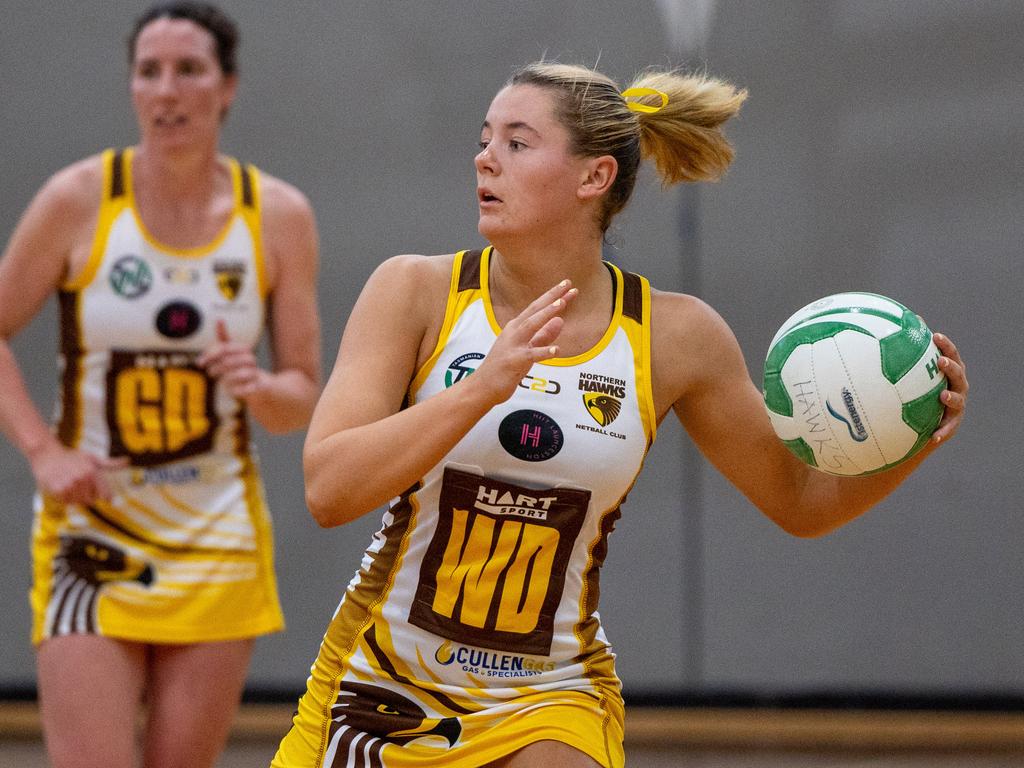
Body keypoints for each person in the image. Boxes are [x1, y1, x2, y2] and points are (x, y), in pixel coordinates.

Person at [271, 62, 967, 768]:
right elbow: (329, 491)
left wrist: (911, 436)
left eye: (517, 142)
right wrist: (481, 388)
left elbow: (800, 501)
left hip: (549, 694)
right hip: (376, 685)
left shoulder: (675, 336)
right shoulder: (414, 291)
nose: (484, 157)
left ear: (593, 178)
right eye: (485, 139)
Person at [0, 3, 321, 767]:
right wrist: (42, 452)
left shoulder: (276, 215)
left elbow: (302, 395)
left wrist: (261, 386)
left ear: (228, 87)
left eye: (189, 70)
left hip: (217, 535)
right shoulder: (79, 197)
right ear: (133, 87)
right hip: (92, 527)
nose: (167, 89)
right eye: (150, 71)